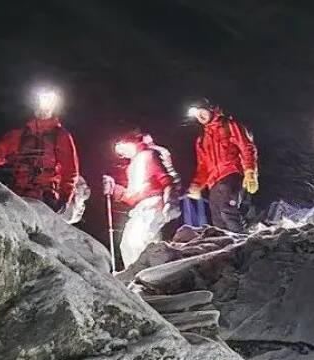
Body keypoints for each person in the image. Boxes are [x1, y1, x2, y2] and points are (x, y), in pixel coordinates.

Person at [0, 88, 83, 219]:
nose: (44, 108)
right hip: (18, 195)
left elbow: (70, 170)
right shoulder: (19, 135)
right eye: (41, 102)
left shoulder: (61, 136)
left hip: (45, 199)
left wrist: (64, 198)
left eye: (48, 103)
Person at [103, 131, 180, 267]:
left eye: (121, 148)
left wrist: (169, 202)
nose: (122, 154)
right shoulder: (133, 165)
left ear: (129, 142)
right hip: (141, 207)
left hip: (153, 204)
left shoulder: (149, 155)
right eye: (119, 153)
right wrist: (115, 189)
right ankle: (143, 273)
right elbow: (132, 196)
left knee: (135, 241)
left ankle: (143, 274)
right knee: (131, 243)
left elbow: (166, 180)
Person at [187, 101, 258, 233]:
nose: (200, 116)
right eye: (196, 115)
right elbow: (203, 166)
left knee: (228, 211)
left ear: (210, 109)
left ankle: (242, 242)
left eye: (201, 112)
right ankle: (227, 247)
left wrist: (250, 171)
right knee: (218, 218)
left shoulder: (229, 126)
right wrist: (197, 185)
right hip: (214, 183)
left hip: (232, 175)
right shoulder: (201, 139)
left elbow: (246, 147)